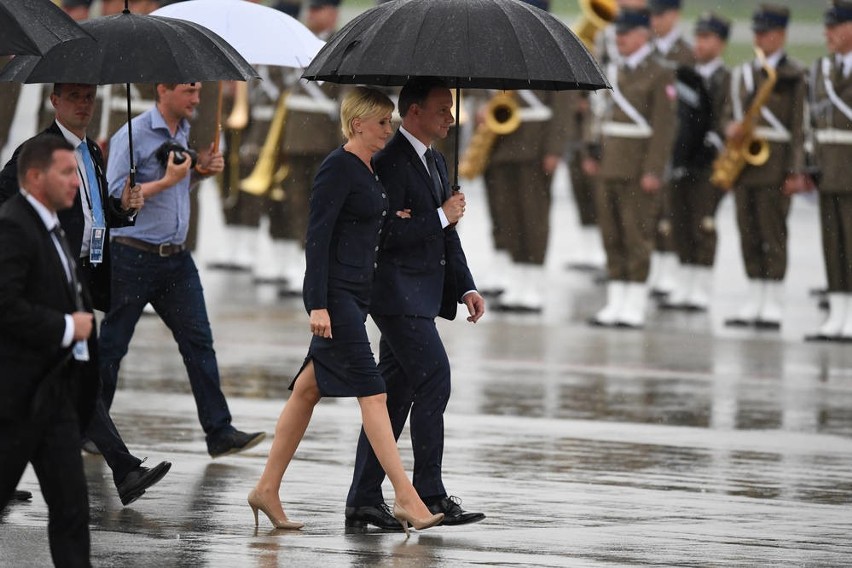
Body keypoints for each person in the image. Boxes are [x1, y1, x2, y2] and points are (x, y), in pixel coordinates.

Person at [248, 87, 443, 535]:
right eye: (381, 123)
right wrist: (316, 302)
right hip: (335, 299)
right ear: (357, 124)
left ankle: (266, 488)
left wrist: (420, 218)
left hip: (358, 296)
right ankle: (405, 497)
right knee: (374, 394)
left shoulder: (370, 169)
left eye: (390, 123)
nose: (388, 130)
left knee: (307, 390)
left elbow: (373, 226)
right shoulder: (337, 167)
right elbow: (317, 239)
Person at [0, 82, 172, 506]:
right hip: (47, 277)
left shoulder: (92, 151)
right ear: (55, 100)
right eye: (74, 96)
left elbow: (94, 213)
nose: (83, 104)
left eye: (89, 96)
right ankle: (124, 468)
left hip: (80, 275)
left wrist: (124, 207)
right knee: (75, 375)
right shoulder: (38, 150)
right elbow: (7, 199)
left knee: (48, 380)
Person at [345, 78, 486, 529]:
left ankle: (364, 498)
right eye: (442, 109)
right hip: (395, 294)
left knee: (394, 397)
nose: (451, 116)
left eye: (451, 108)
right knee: (435, 379)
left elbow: (446, 236)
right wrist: (442, 214)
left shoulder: (436, 159)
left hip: (422, 293)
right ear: (414, 112)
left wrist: (466, 287)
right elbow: (384, 234)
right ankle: (430, 494)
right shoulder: (388, 161)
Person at [101, 83, 264, 457]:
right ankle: (93, 429)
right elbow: (115, 198)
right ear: (163, 90)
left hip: (176, 259)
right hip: (133, 255)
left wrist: (201, 173)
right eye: (189, 91)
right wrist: (166, 181)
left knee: (199, 344)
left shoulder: (184, 132)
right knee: (112, 348)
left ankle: (219, 431)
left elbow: (178, 189)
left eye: (198, 91)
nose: (196, 99)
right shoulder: (133, 133)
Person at [0, 135, 95, 567]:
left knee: (72, 510)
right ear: (35, 177)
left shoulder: (53, 225)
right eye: (67, 173)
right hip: (14, 398)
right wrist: (65, 327)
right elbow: (5, 306)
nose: (76, 181)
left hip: (54, 397)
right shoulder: (13, 225)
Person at [584, 8, 676, 328]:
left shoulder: (660, 72)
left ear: (643, 35)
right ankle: (615, 300)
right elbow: (597, 116)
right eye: (618, 34)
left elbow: (664, 128)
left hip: (638, 169)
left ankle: (635, 301)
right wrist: (590, 150)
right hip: (608, 163)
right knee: (612, 235)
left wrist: (654, 169)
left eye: (625, 34)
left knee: (637, 235)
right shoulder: (613, 69)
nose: (619, 39)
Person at [722, 4, 807, 330]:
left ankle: (773, 297)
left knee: (773, 231)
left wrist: (794, 169)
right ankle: (754, 294)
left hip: (776, 162)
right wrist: (729, 127)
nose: (760, 39)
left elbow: (800, 127)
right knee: (748, 230)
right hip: (745, 163)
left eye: (766, 33)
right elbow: (727, 114)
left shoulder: (795, 75)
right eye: (756, 33)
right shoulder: (742, 74)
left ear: (781, 35)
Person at [662, 13, 732, 311]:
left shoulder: (726, 78)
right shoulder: (685, 74)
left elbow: (726, 115)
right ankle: (683, 281)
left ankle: (702, 285)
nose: (700, 44)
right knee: (679, 221)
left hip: (708, 162)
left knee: (703, 222)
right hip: (681, 159)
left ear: (721, 43)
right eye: (698, 37)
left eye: (707, 38)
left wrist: (712, 143)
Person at [806, 0, 852, 341]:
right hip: (828, 170)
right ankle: (837, 314)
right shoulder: (821, 68)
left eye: (835, 26)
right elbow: (813, 122)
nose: (828, 33)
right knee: (833, 246)